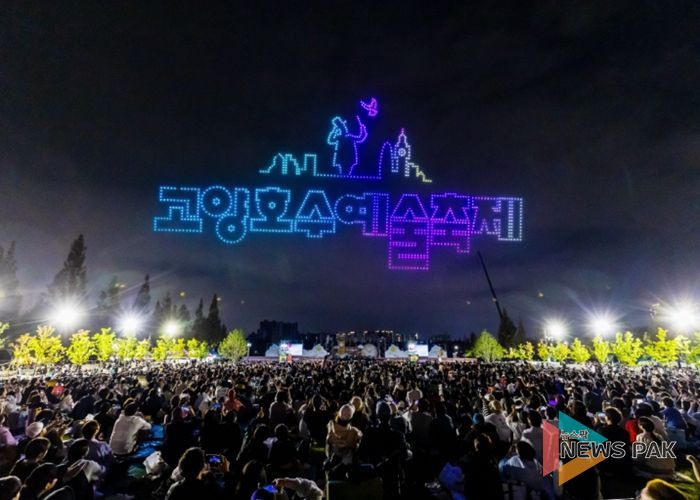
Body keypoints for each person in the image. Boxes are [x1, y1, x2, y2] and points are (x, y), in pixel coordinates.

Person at [357, 401, 410, 496]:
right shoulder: (398, 435)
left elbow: (361, 455)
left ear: (377, 416)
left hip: (374, 476)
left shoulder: (369, 433)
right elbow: (404, 457)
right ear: (390, 415)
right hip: (392, 478)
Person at [325, 404, 362, 471]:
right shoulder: (332, 424)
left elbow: (359, 435)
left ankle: (340, 465)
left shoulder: (352, 429)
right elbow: (330, 437)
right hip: (336, 451)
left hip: (342, 453)